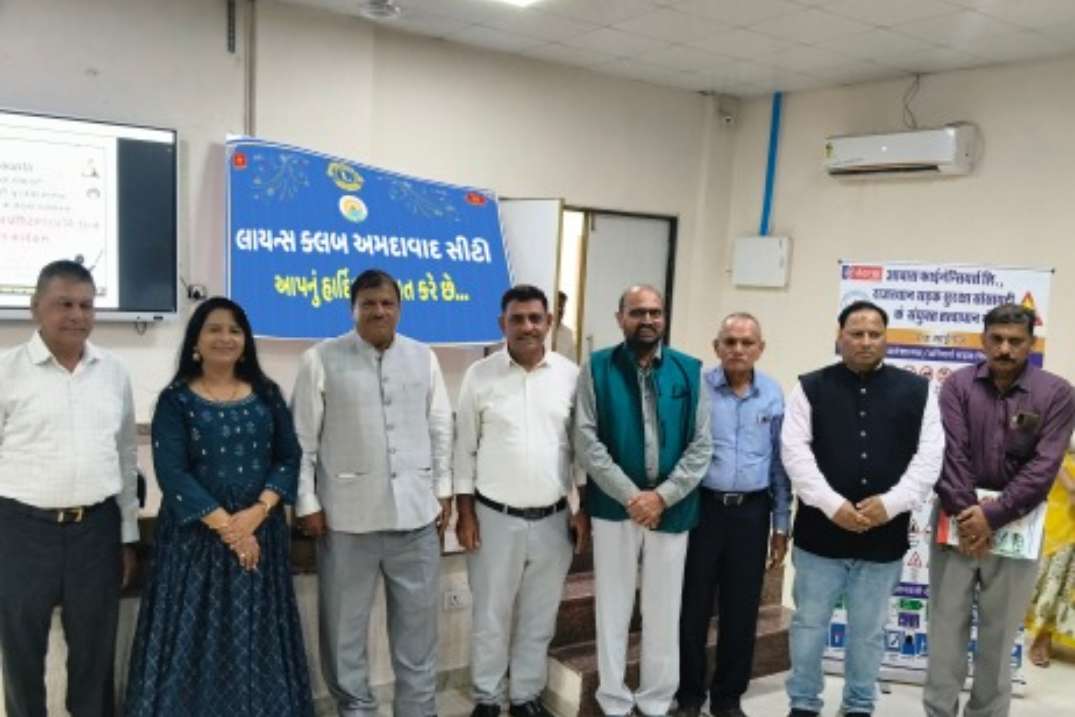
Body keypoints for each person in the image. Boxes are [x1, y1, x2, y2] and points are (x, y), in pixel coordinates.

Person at [124, 297, 313, 716]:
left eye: (234, 330)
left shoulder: (267, 395)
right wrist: (229, 528)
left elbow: (288, 458)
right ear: (196, 341)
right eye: (213, 329)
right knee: (194, 638)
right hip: (194, 543)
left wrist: (257, 513)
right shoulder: (175, 400)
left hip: (260, 537)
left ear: (245, 342)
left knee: (257, 635)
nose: (224, 337)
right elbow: (172, 473)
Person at [292, 268, 453, 717]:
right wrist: (306, 502)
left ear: (399, 308)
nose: (379, 311)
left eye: (387, 303)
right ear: (353, 309)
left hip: (416, 519)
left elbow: (440, 426)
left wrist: (442, 491)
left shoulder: (424, 357)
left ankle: (417, 710)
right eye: (368, 304)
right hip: (346, 521)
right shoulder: (321, 358)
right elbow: (302, 440)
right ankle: (355, 708)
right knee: (343, 631)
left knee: (418, 632)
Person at [781, 300, 944, 717]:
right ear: (840, 337)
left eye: (875, 334)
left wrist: (890, 504)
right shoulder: (810, 387)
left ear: (886, 338)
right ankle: (803, 702)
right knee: (808, 625)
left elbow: (930, 458)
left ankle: (858, 705)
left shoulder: (918, 391)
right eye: (857, 333)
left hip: (884, 536)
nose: (866, 341)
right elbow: (794, 453)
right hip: (819, 535)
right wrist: (832, 505)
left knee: (869, 631)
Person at [0, 260, 139, 717]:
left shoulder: (113, 371)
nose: (77, 315)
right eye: (64, 304)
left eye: (86, 305)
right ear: (35, 307)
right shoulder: (6, 371)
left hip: (96, 530)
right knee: (21, 652)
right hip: (21, 531)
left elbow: (125, 455)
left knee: (95, 656)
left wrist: (127, 535)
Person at [925, 303, 1075, 717]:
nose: (1005, 348)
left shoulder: (1056, 393)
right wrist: (969, 515)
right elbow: (949, 453)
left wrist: (991, 517)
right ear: (983, 339)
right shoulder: (957, 385)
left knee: (1000, 635)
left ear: (1031, 344)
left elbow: (1045, 465)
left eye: (1016, 341)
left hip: (1019, 523)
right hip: (954, 519)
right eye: (997, 339)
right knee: (945, 631)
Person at [574, 284, 712, 717]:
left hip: (673, 509)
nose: (647, 320)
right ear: (620, 318)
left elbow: (702, 445)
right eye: (637, 312)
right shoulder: (597, 368)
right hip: (614, 508)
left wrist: (662, 497)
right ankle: (613, 701)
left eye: (655, 312)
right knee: (612, 608)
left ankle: (655, 701)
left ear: (664, 317)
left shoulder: (690, 370)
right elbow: (585, 440)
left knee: (663, 611)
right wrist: (633, 497)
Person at [455, 284, 591, 717]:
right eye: (517, 318)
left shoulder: (571, 376)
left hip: (553, 518)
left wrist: (583, 509)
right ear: (503, 324)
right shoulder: (480, 376)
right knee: (490, 616)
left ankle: (526, 696)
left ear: (549, 322)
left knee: (539, 615)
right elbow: (463, 449)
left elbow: (581, 450)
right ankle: (488, 697)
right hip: (494, 517)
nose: (527, 326)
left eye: (535, 318)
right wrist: (465, 513)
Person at [675, 313, 791, 717]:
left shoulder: (772, 394)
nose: (738, 349)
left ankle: (727, 697)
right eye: (730, 342)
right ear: (716, 347)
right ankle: (689, 695)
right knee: (693, 607)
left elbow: (779, 465)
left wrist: (781, 525)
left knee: (741, 610)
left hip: (752, 514)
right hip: (702, 510)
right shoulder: (697, 390)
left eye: (747, 342)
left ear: (760, 348)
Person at [1026, 437, 1075, 667]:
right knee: (1059, 565)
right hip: (1067, 493)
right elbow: (1050, 448)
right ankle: (1042, 635)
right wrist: (1071, 488)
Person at [551, 290, 578, 363]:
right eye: (557, 306)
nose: (560, 310)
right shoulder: (540, 330)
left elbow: (573, 363)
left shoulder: (568, 333)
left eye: (562, 306)